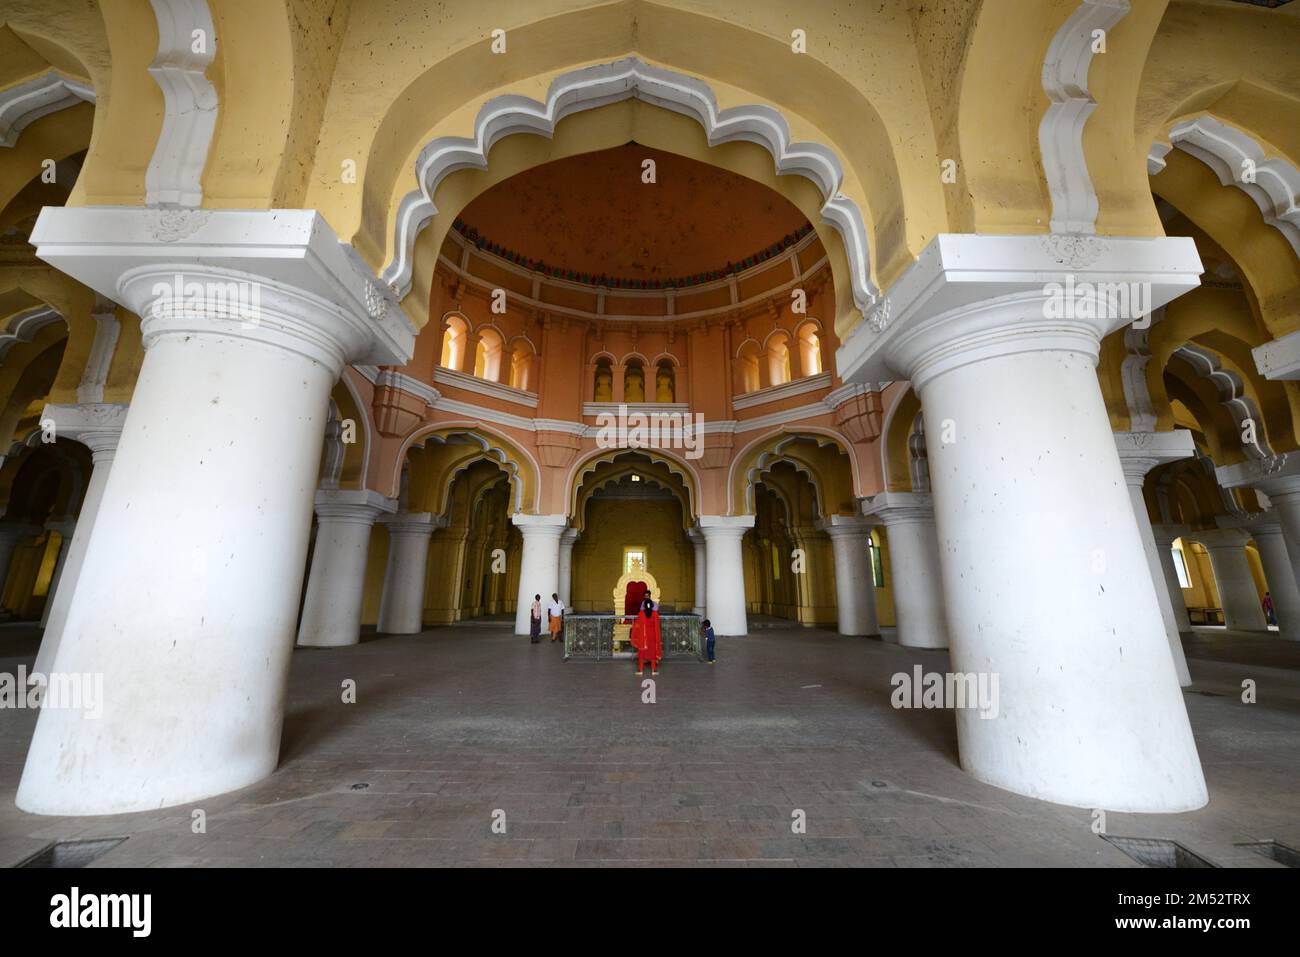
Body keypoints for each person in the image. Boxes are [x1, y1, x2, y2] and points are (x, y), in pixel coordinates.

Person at [630, 594, 662, 676]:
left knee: (642, 652)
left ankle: (640, 670)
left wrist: (636, 635)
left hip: (643, 636)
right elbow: (657, 626)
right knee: (652, 652)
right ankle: (654, 670)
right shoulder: (655, 614)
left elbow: (637, 625)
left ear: (644, 606)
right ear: (651, 605)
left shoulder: (641, 613)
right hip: (652, 636)